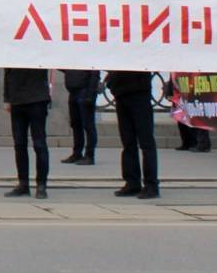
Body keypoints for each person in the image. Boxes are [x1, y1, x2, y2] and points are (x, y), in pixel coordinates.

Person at [107, 69, 160, 199]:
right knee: (128, 142)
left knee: (146, 142)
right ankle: (132, 181)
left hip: (139, 93)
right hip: (121, 94)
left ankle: (151, 184)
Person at [3, 66, 51, 199]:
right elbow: (7, 73)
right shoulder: (12, 51)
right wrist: (7, 98)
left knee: (39, 144)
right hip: (17, 100)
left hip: (37, 99)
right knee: (19, 144)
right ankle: (23, 184)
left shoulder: (39, 49)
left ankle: (41, 185)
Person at [61, 69, 100, 165]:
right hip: (73, 91)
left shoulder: (89, 56)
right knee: (75, 124)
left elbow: (95, 73)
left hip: (85, 90)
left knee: (88, 125)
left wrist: (91, 93)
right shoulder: (73, 57)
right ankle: (77, 153)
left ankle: (89, 155)